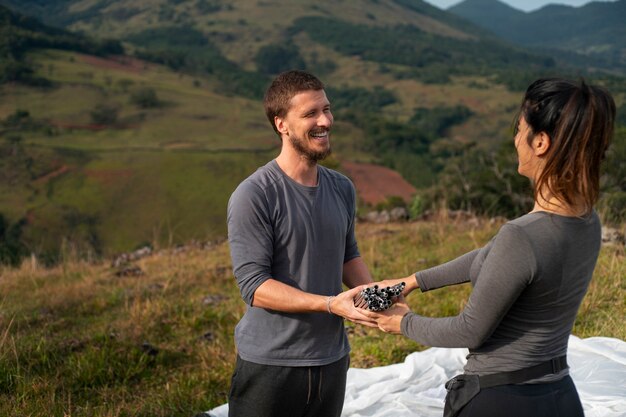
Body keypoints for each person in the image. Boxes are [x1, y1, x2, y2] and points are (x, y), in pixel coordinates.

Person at [359, 78, 616, 417]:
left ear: (540, 142)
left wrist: (402, 322)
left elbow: (470, 329)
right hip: (559, 396)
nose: (515, 139)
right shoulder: (586, 220)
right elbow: (492, 256)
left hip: (502, 399)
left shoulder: (523, 235)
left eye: (519, 129)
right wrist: (412, 281)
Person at [226, 69, 375, 417]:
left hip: (332, 360)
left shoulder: (341, 187)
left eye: (327, 109)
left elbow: (347, 255)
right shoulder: (254, 194)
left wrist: (374, 295)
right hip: (271, 366)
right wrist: (329, 304)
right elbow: (254, 287)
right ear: (282, 124)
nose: (325, 120)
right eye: (310, 113)